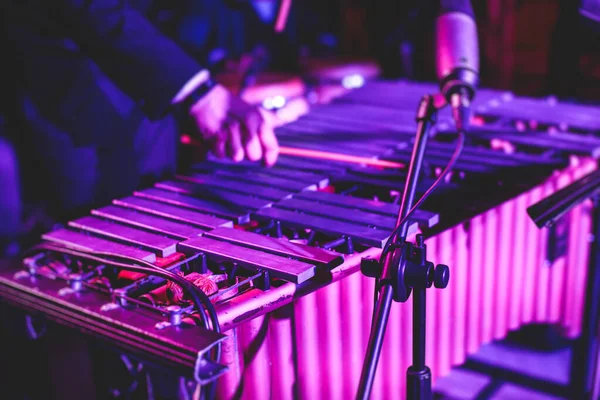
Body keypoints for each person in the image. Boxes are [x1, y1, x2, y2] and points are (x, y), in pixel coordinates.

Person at [0, 0, 279, 224]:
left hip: (155, 87)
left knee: (166, 232)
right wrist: (197, 90)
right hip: (70, 86)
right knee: (103, 245)